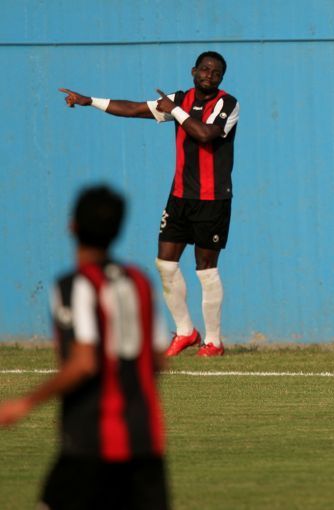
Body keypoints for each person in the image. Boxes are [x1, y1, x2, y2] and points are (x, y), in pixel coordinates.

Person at [59, 51, 240, 357]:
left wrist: (175, 111)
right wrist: (89, 101)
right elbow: (134, 109)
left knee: (205, 269)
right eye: (204, 69)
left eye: (216, 73)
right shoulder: (179, 99)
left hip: (212, 199)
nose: (209, 76)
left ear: (222, 78)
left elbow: (205, 134)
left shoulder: (228, 103)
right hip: (180, 196)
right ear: (193, 71)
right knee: (165, 264)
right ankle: (186, 332)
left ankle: (214, 342)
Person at [0, 185, 170, 509]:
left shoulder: (75, 284)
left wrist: (24, 403)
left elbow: (83, 363)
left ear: (72, 226)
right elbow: (159, 359)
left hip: (91, 441)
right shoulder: (140, 282)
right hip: (145, 441)